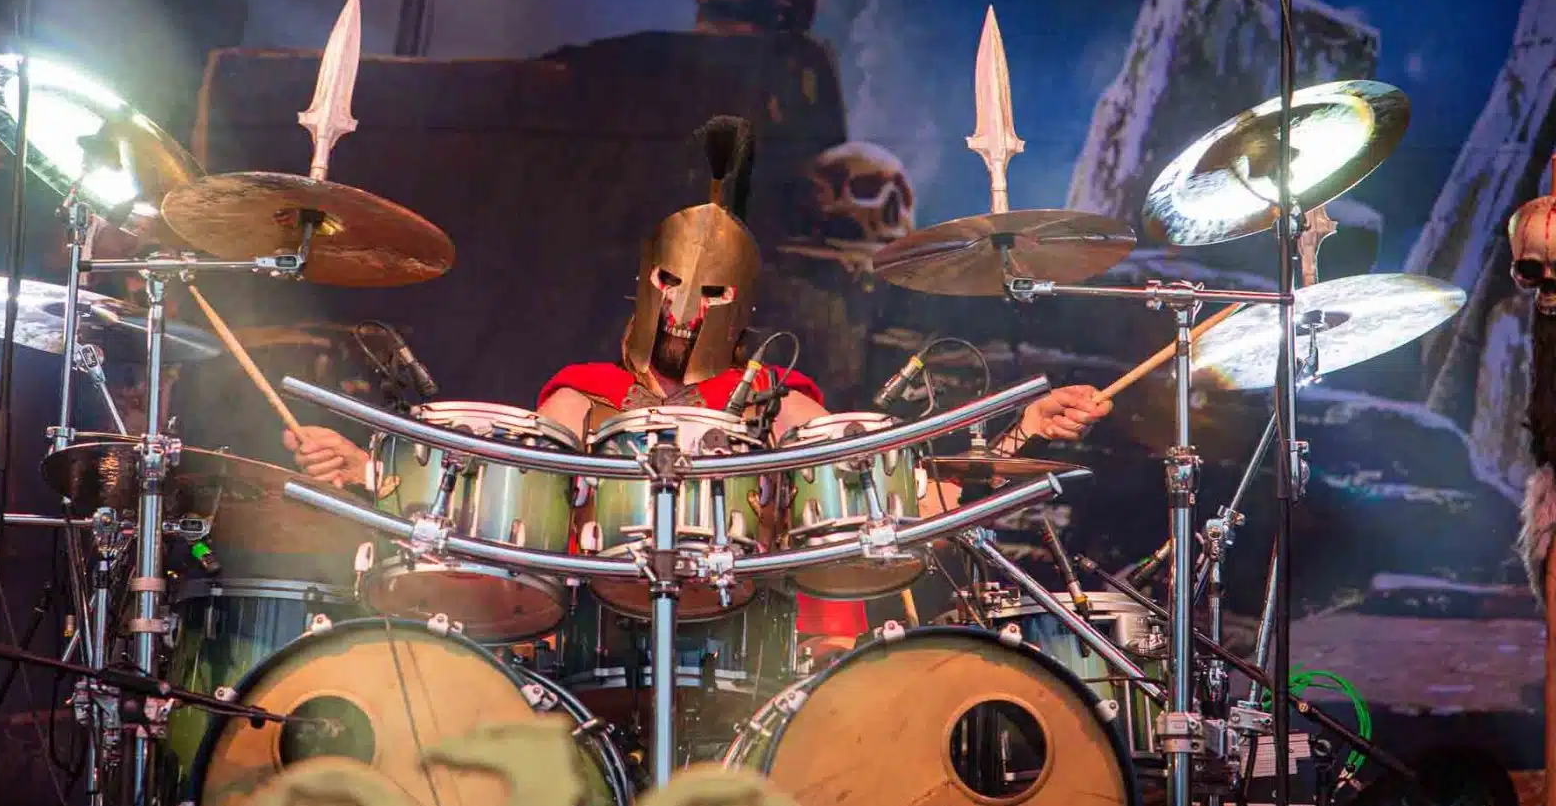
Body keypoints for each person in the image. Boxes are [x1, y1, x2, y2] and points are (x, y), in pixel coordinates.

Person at [285, 120, 1111, 653]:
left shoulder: (781, 399)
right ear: (644, 283)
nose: (685, 309)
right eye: (670, 284)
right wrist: (370, 473)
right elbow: (490, 513)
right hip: (595, 650)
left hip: (755, 654)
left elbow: (905, 506)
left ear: (741, 306)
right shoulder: (581, 394)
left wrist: (1021, 434)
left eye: (711, 293)